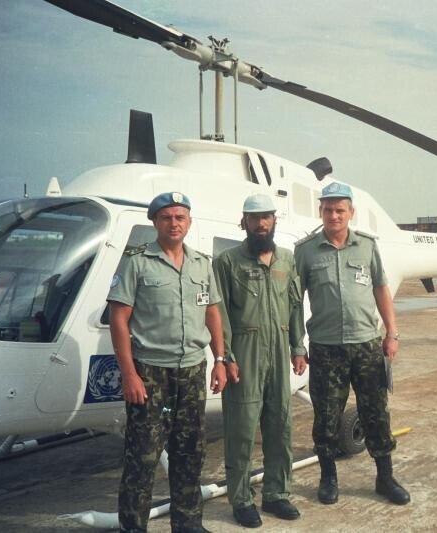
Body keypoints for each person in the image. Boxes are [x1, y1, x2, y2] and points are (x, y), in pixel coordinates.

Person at [107, 192, 228, 533]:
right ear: (155, 222)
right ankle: (132, 527)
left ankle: (187, 523)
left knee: (189, 452)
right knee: (142, 457)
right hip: (150, 373)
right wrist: (129, 374)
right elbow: (119, 319)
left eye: (180, 217)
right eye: (166, 217)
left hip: (192, 370)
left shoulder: (202, 264)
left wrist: (219, 359)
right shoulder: (137, 262)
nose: (174, 223)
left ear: (189, 222)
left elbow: (212, 312)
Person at [294, 182, 410, 506]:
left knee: (376, 414)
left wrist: (392, 332)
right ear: (321, 212)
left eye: (340, 210)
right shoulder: (305, 251)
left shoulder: (367, 247)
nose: (334, 215)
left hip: (367, 345)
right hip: (326, 347)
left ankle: (385, 477)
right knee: (326, 417)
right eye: (328, 209)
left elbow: (381, 290)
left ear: (351, 213)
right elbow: (294, 300)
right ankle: (328, 477)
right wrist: (297, 345)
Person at [212, 193, 308, 528]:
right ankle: (241, 500)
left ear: (274, 220)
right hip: (246, 350)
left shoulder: (286, 260)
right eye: (255, 218)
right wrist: (227, 356)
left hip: (280, 347)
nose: (261, 223)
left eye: (266, 217)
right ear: (245, 221)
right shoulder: (227, 262)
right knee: (241, 430)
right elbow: (219, 313)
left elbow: (295, 305)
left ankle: (276, 494)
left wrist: (298, 346)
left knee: (280, 425)